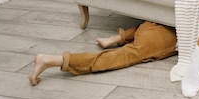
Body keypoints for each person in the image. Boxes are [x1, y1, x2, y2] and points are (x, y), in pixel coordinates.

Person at [28, 21, 177, 85]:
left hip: (150, 25)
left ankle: (114, 39)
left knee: (150, 28)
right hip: (161, 39)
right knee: (119, 57)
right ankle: (52, 60)